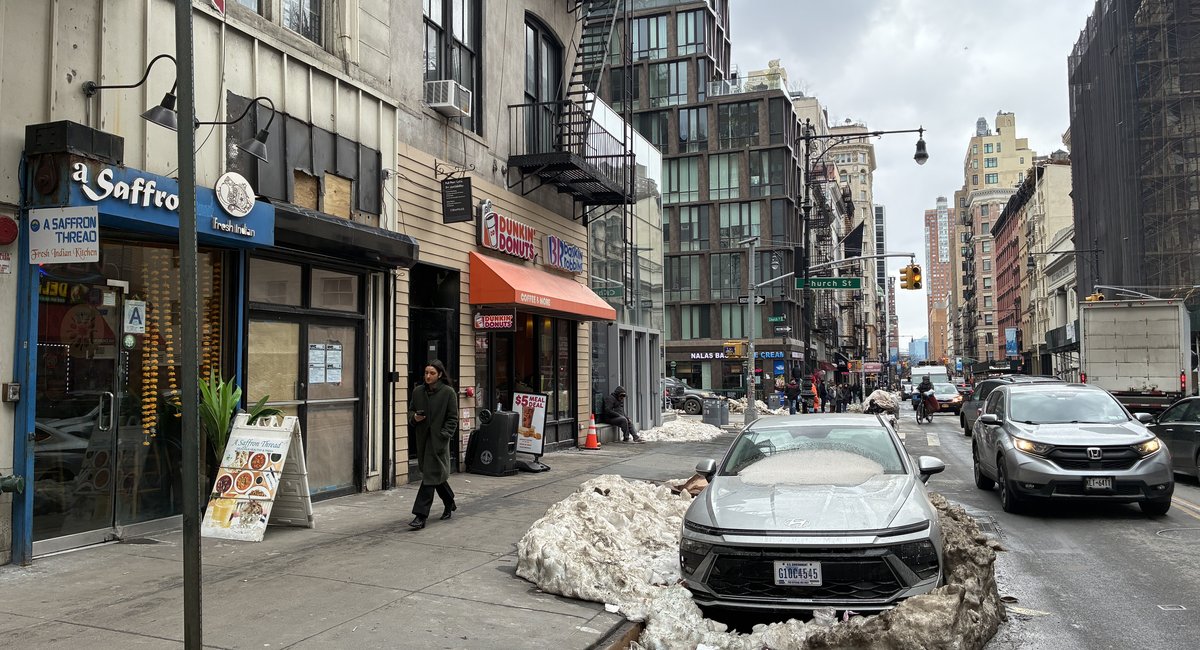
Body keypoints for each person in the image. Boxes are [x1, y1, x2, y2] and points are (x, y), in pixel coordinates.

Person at [408, 360, 458, 530]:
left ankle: (420, 516)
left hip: (438, 442)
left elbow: (453, 419)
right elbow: (411, 411)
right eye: (426, 373)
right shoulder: (418, 392)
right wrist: (414, 418)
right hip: (422, 440)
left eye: (432, 373)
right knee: (435, 476)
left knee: (429, 477)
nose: (428, 376)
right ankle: (449, 501)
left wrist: (444, 435)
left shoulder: (448, 393)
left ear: (440, 375)